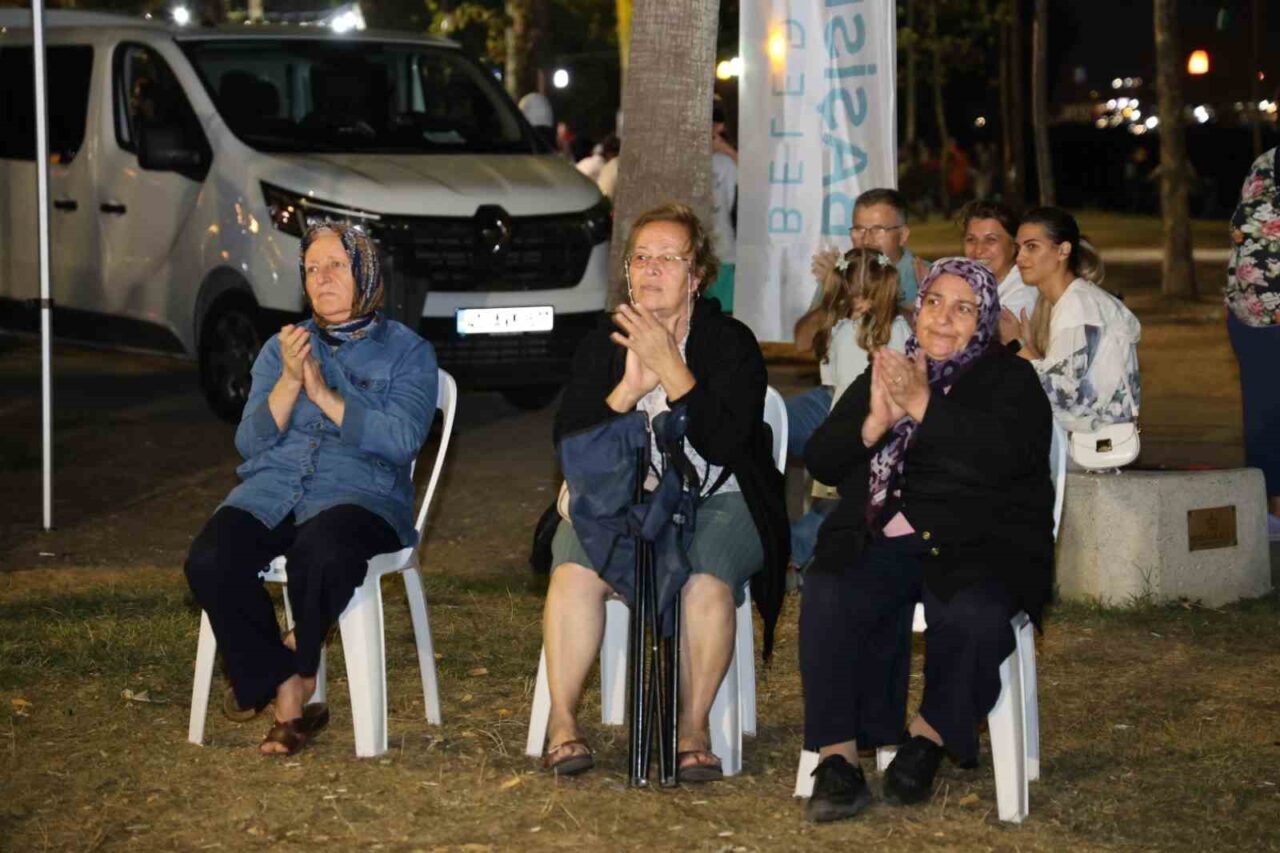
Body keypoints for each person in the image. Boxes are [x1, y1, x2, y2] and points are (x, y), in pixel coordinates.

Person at [799, 258, 1054, 823]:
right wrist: (872, 425)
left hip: (978, 541)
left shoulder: (1010, 381)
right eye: (934, 301)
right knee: (829, 589)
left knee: (976, 612)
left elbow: (1000, 464)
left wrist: (922, 406)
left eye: (963, 308)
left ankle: (928, 736)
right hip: (881, 535)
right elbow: (820, 458)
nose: (943, 318)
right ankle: (837, 756)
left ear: (983, 319)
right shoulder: (888, 368)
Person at [540, 202, 787, 780]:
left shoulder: (730, 342)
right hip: (623, 499)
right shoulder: (602, 344)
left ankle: (693, 727)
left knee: (706, 580)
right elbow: (570, 447)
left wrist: (673, 373)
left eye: (668, 259)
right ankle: (562, 723)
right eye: (641, 259)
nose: (651, 270)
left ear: (697, 275)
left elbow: (728, 443)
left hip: (721, 495)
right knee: (573, 572)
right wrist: (627, 388)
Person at [184, 222, 439, 756]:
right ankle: (287, 677)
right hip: (274, 488)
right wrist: (289, 382)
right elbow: (250, 442)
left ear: (366, 272)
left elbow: (401, 439)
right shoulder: (285, 347)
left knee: (318, 554)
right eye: (312, 268)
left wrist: (322, 393)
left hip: (360, 496)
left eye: (336, 266)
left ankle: (289, 702)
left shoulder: (408, 352)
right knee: (210, 559)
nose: (321, 278)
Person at [790, 249, 911, 572]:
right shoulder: (841, 330)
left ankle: (808, 553)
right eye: (851, 296)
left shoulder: (895, 331)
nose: (857, 304)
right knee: (831, 503)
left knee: (849, 503)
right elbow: (834, 385)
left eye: (865, 297)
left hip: (880, 432)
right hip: (844, 431)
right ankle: (805, 555)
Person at [788, 188, 930, 459]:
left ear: (903, 234)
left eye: (878, 229)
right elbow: (802, 342)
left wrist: (917, 304)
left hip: (897, 401)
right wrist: (835, 293)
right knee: (767, 425)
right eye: (858, 229)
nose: (866, 239)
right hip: (833, 394)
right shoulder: (847, 271)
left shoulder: (926, 275)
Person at [1009, 207, 1141, 436]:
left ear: (1063, 250)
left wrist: (1020, 347)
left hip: (1092, 448)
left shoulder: (1079, 307)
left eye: (1031, 246)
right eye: (1018, 247)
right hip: (1088, 440)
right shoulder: (1070, 301)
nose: (1020, 257)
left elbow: (1060, 393)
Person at [1225, 147, 1280, 537]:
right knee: (1265, 415)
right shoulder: (1266, 164)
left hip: (1259, 313)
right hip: (1256, 315)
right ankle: (1274, 512)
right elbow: (1247, 236)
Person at [957, 200, 1039, 331]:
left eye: (990, 240)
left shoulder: (1020, 297)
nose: (978, 250)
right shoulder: (974, 283)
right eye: (971, 240)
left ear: (1014, 246)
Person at [705, 102, 739, 312]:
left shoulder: (725, 163)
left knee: (723, 314)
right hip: (692, 253)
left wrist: (725, 149)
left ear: (718, 127)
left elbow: (759, 187)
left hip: (723, 253)